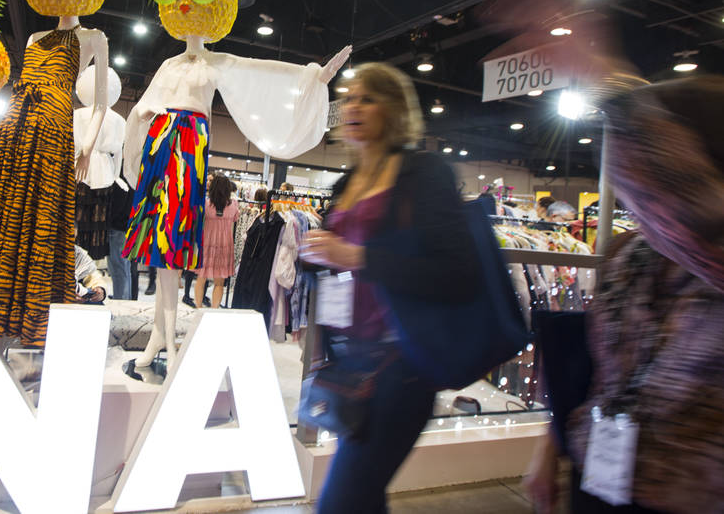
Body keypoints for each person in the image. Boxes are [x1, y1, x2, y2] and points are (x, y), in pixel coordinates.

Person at [522, 70, 724, 511]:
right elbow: (597, 369)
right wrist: (549, 447)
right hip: (601, 468)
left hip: (691, 493)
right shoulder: (628, 254)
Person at [298, 62, 478, 514]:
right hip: (351, 364)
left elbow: (458, 273)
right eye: (350, 98)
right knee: (361, 497)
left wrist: (355, 257)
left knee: (341, 501)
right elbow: (333, 265)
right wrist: (313, 257)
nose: (353, 107)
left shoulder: (423, 173)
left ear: (394, 110)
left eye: (368, 98)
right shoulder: (346, 183)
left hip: (403, 366)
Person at [194, 174, 239, 309]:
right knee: (219, 282)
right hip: (225, 244)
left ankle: (198, 308)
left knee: (201, 278)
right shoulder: (233, 205)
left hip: (207, 243)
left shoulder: (205, 204)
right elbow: (235, 218)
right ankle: (214, 310)